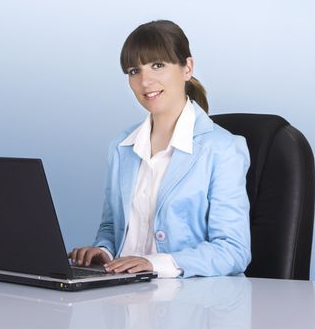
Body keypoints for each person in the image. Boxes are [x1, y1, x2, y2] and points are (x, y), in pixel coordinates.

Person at [69, 20, 251, 278]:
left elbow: (234, 250)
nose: (145, 81)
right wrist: (104, 252)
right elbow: (112, 227)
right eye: (134, 71)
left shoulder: (223, 149)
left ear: (187, 68)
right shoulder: (123, 147)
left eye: (158, 65)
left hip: (191, 304)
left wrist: (155, 264)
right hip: (123, 296)